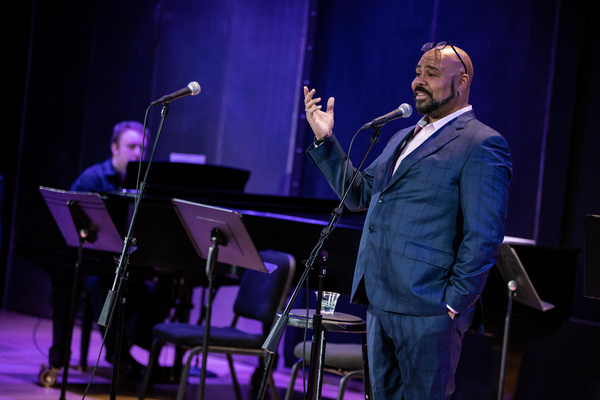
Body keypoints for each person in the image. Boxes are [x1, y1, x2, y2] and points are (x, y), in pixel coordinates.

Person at [304, 41, 512, 399]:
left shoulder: (482, 143)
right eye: (418, 73)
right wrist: (325, 138)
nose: (418, 81)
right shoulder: (404, 136)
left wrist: (452, 305)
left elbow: (484, 236)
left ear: (461, 82)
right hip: (380, 300)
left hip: (429, 309)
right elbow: (359, 195)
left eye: (431, 74)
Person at [71, 121, 167, 378]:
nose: (138, 153)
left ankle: (123, 347)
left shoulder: (145, 182)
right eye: (132, 146)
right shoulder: (92, 179)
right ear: (115, 148)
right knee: (100, 285)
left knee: (156, 293)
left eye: (142, 149)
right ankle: (120, 355)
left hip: (132, 265)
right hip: (96, 263)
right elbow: (73, 220)